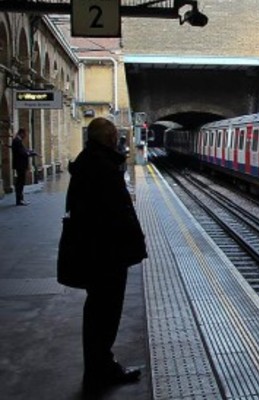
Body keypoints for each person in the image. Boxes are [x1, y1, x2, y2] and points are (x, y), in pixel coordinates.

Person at [65, 117, 148, 393]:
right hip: (106, 255)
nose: (117, 140)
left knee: (99, 313)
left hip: (97, 252)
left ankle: (99, 366)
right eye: (114, 136)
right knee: (105, 313)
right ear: (108, 139)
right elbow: (112, 213)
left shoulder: (90, 162)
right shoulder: (101, 166)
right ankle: (101, 370)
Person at [11, 128, 36, 206]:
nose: (25, 136)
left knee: (21, 182)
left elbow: (23, 150)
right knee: (20, 182)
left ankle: (21, 199)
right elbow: (22, 153)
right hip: (20, 165)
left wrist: (29, 151)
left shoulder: (18, 141)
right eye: (25, 134)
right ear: (21, 133)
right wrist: (31, 154)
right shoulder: (17, 141)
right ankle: (19, 200)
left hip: (20, 165)